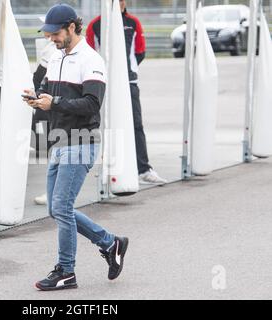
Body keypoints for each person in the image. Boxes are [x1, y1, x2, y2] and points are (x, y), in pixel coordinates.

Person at [23, 4, 129, 291]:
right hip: (60, 141)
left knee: (61, 207)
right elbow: (53, 96)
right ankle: (110, 242)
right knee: (57, 210)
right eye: (48, 34)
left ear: (71, 27)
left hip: (81, 141)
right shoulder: (57, 57)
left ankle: (66, 272)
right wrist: (37, 98)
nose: (51, 39)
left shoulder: (91, 59)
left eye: (55, 33)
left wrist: (54, 103)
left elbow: (92, 104)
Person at [86, 0, 167, 185]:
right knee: (104, 125)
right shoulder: (95, 25)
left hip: (129, 82)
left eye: (122, 0)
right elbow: (90, 53)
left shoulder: (133, 22)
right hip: (103, 84)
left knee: (136, 125)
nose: (120, 3)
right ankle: (108, 167)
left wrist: (125, 73)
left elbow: (140, 51)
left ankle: (144, 170)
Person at [32, 37, 57, 206]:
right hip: (48, 103)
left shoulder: (52, 48)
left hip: (49, 104)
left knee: (53, 148)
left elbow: (40, 75)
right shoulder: (51, 46)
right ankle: (54, 192)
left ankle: (54, 193)